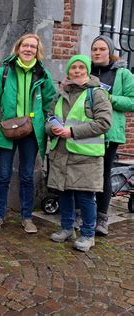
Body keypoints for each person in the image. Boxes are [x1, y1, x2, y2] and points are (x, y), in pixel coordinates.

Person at [0, 33, 56, 233]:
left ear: (37, 51)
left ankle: (27, 217)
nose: (28, 49)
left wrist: (42, 124)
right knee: (4, 176)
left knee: (26, 176)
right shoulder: (5, 72)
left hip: (31, 134)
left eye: (33, 47)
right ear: (18, 48)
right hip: (5, 132)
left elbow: (50, 103)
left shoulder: (43, 75)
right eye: (25, 45)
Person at [46, 55, 112, 252]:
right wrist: (52, 128)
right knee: (64, 192)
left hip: (86, 155)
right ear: (68, 71)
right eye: (73, 67)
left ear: (87, 70)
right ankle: (67, 228)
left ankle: (88, 234)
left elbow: (104, 123)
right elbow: (50, 117)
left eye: (80, 67)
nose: (76, 71)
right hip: (62, 153)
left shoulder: (97, 94)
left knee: (85, 196)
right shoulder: (60, 95)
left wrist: (72, 132)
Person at [90, 35, 134, 236]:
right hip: (87, 131)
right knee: (86, 172)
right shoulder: (86, 70)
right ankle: (87, 213)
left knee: (104, 173)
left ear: (110, 51)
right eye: (94, 49)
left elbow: (132, 101)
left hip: (109, 132)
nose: (97, 52)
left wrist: (109, 97)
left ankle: (102, 217)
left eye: (101, 49)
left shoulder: (123, 74)